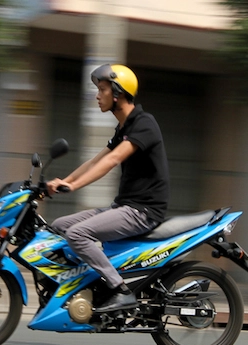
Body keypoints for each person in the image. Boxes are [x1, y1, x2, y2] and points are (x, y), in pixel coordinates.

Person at [47, 64, 170, 313]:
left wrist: (73, 187)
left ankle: (119, 290)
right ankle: (79, 287)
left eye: (102, 89)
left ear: (118, 93)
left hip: (143, 210)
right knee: (60, 226)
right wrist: (63, 181)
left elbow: (111, 161)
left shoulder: (144, 124)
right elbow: (95, 160)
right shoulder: (123, 128)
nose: (97, 95)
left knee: (78, 234)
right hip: (125, 206)